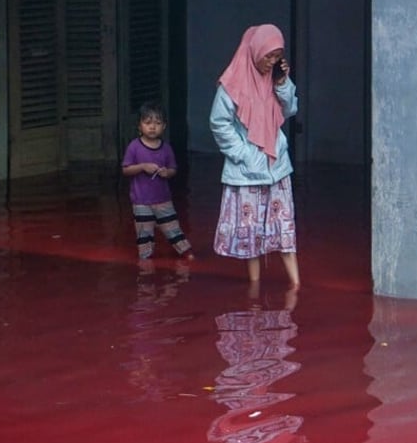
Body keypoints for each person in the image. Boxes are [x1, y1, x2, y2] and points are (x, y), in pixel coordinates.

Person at [209, 23, 301, 289]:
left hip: (277, 167)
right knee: (251, 233)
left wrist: (282, 83)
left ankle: (296, 285)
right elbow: (219, 123)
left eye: (277, 56)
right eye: (268, 56)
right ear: (255, 51)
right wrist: (243, 154)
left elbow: (290, 109)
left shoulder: (274, 79)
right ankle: (255, 289)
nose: (271, 62)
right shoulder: (231, 85)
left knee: (284, 226)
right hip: (247, 172)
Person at [121, 101, 194, 260]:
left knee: (172, 226)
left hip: (163, 199)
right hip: (141, 201)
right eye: (148, 123)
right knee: (144, 232)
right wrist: (142, 167)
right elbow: (126, 169)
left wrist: (166, 173)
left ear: (164, 126)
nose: (152, 127)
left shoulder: (166, 148)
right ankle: (145, 257)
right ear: (139, 126)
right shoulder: (134, 147)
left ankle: (185, 251)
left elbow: (173, 170)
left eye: (157, 123)